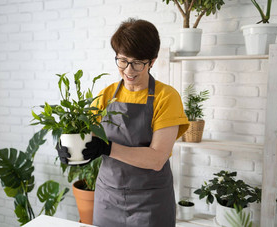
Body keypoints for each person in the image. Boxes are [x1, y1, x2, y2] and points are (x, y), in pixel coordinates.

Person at [57, 18, 189, 227]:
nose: (129, 70)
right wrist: (71, 149)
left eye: (137, 63)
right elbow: (87, 138)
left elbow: (157, 159)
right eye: (122, 60)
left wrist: (107, 148)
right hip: (108, 198)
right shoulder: (106, 95)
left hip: (151, 202)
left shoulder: (167, 97)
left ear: (152, 61)